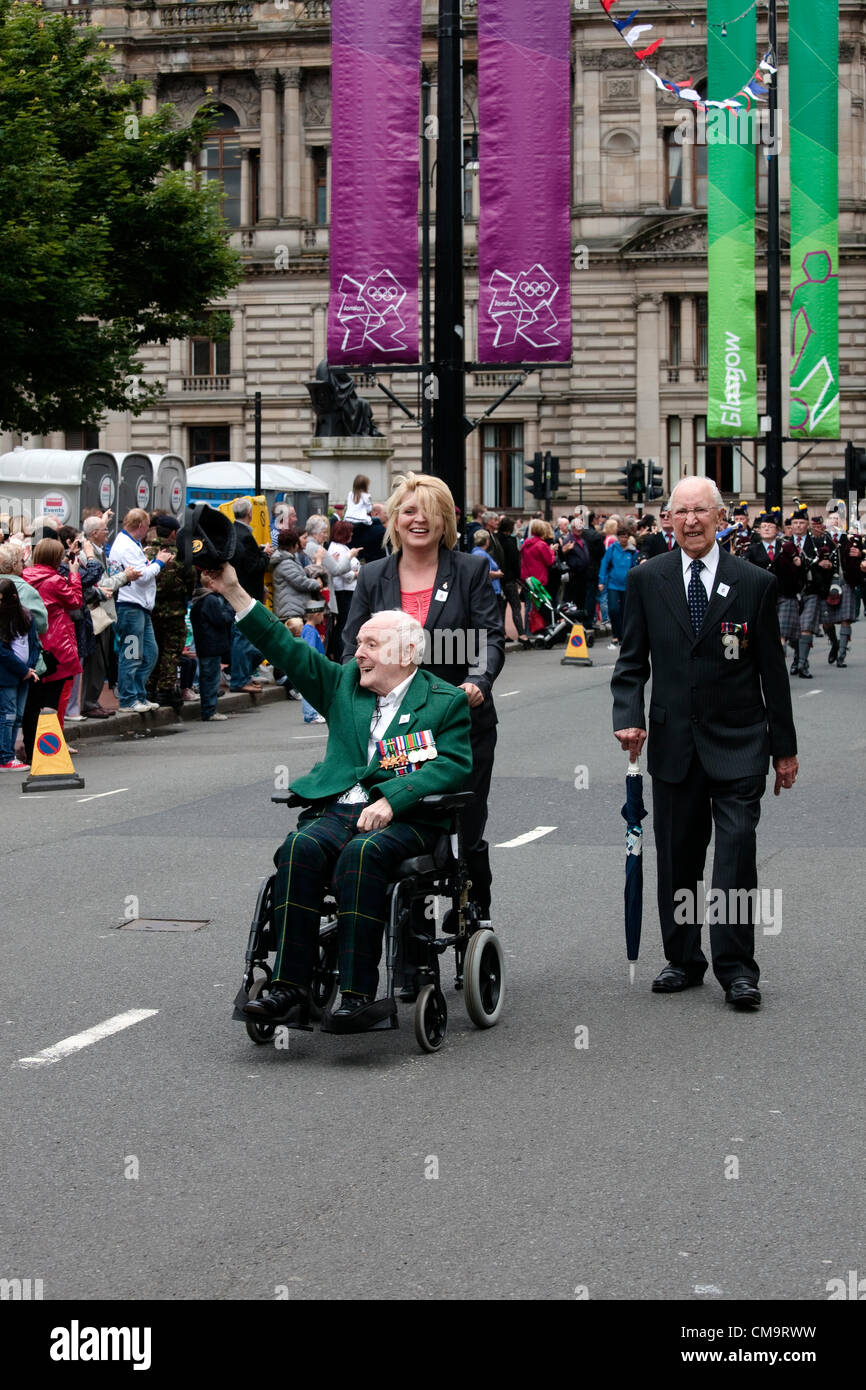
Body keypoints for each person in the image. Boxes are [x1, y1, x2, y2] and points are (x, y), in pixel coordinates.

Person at [201, 567, 473, 1033]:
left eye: (371, 645)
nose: (359, 653)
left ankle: (356, 995)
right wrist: (232, 591)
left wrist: (393, 798)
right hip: (342, 807)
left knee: (361, 854)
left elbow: (451, 765)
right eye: (360, 643)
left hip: (408, 818)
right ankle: (289, 987)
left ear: (407, 654)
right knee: (298, 848)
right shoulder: (344, 684)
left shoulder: (443, 701)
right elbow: (284, 647)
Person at [611, 477, 798, 1011]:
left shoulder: (754, 582)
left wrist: (783, 750)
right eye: (680, 512)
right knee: (678, 857)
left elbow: (772, 674)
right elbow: (630, 664)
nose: (690, 521)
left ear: (721, 518)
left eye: (701, 511)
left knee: (735, 857)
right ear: (668, 519)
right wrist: (628, 717)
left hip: (740, 741)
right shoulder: (648, 579)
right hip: (673, 742)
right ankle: (683, 958)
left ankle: (737, 968)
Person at [342, 472, 504, 925]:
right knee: (406, 826)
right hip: (394, 728)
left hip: (461, 722)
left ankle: (474, 910)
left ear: (445, 520)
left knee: (465, 831)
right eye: (410, 511)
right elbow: (349, 645)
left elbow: (489, 636)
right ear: (394, 519)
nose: (419, 520)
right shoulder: (374, 575)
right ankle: (412, 927)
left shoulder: (469, 570)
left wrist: (480, 680)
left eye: (430, 512)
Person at [21, 538, 84, 756]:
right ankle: (49, 749)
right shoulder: (56, 581)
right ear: (57, 559)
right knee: (52, 701)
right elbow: (75, 601)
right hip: (56, 644)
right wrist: (74, 573)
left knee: (31, 701)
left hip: (30, 643)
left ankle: (31, 748)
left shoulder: (23, 577)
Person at [108, 508, 174, 713]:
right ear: (140, 526)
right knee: (132, 655)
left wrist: (149, 561)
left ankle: (137, 695)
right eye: (146, 528)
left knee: (150, 653)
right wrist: (159, 562)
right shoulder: (126, 546)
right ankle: (128, 699)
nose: (147, 532)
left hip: (139, 607)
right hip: (130, 608)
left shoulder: (130, 543)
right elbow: (143, 575)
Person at [147, 515, 196, 707]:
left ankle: (150, 687)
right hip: (174, 612)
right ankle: (165, 690)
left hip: (151, 609)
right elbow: (191, 580)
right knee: (171, 652)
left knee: (153, 649)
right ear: (174, 533)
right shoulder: (182, 554)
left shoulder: (147, 551)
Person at [229, 499, 272, 693]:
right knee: (245, 637)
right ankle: (240, 678)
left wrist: (259, 552)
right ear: (250, 514)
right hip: (246, 593)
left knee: (244, 636)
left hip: (236, 589)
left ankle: (243, 675)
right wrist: (265, 555)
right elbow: (253, 566)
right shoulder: (246, 536)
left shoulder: (232, 532)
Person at [0, 577, 41, 770]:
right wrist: (24, 670)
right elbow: (3, 651)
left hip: (24, 674)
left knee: (17, 715)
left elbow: (34, 644)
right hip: (8, 675)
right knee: (7, 715)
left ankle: (8, 755)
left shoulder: (26, 616)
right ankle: (5, 756)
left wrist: (29, 668)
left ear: (13, 598)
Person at [189, 584, 234, 721]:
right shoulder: (211, 600)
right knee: (211, 678)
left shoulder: (198, 599)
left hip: (204, 644)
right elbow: (220, 620)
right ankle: (210, 710)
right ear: (210, 584)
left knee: (206, 677)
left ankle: (208, 709)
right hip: (212, 644)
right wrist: (230, 610)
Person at [598, 526, 638, 648]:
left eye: (625, 537)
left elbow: (635, 568)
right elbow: (604, 564)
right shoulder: (612, 549)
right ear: (618, 537)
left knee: (625, 611)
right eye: (621, 537)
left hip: (627, 586)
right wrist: (601, 581)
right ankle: (615, 635)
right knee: (613, 609)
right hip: (613, 584)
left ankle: (623, 635)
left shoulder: (632, 551)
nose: (623, 539)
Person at [327, 518, 361, 652]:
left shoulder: (341, 547)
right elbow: (343, 572)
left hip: (346, 590)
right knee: (343, 623)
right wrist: (357, 574)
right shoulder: (338, 549)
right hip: (344, 591)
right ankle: (340, 651)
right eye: (350, 532)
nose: (352, 535)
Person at [520, 518, 557, 636]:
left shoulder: (525, 544)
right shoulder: (542, 545)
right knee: (539, 606)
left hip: (527, 578)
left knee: (528, 606)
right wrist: (552, 551)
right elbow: (549, 561)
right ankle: (538, 630)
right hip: (539, 579)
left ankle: (528, 630)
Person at [497, 516, 527, 644]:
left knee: (501, 608)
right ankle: (521, 634)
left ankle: (503, 633)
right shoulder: (511, 541)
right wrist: (518, 576)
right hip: (510, 578)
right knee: (516, 607)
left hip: (498, 578)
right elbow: (516, 561)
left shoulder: (496, 539)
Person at [299, 598, 328, 724]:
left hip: (311, 665)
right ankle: (311, 715)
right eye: (322, 615)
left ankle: (313, 713)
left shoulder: (308, 629)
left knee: (313, 690)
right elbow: (310, 648)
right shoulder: (310, 631)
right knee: (310, 690)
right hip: (312, 665)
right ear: (317, 615)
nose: (323, 618)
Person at [471, 529, 502, 599]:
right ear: (487, 541)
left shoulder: (478, 552)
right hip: (489, 592)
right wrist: (498, 574)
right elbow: (485, 573)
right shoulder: (480, 554)